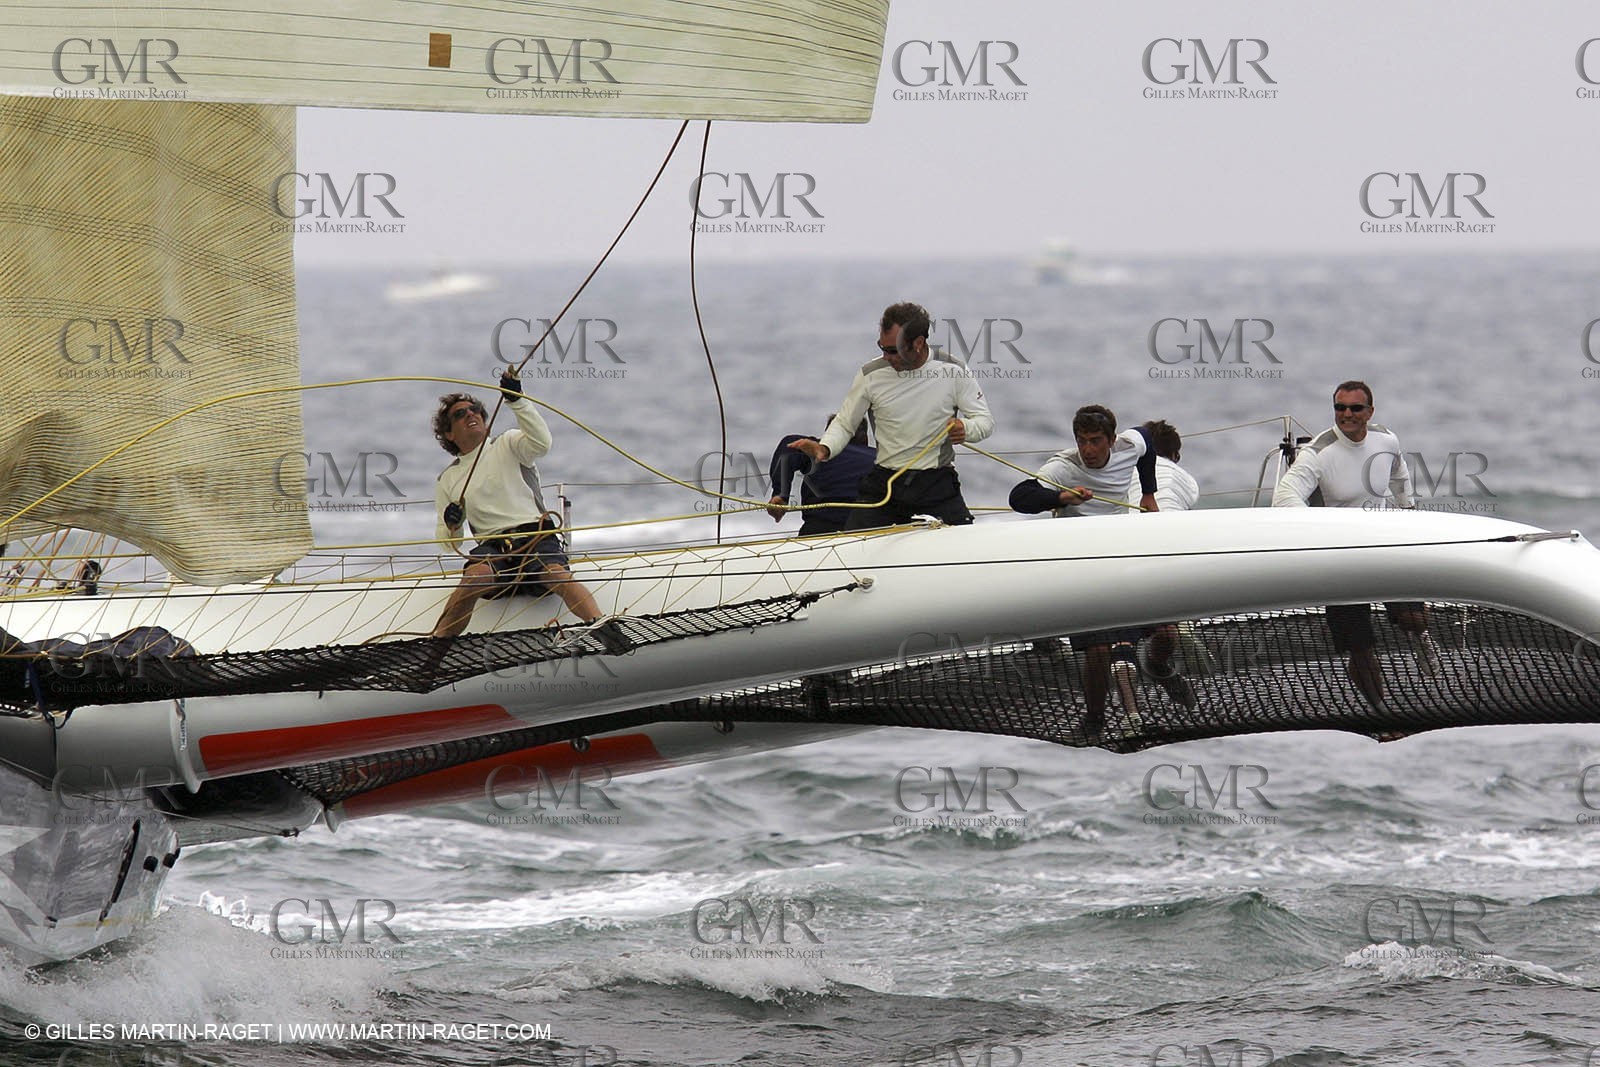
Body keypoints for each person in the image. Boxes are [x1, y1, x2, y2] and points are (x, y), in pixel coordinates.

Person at [1009, 405, 1197, 737]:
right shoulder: (1065, 467)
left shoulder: (1131, 444)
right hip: (1080, 564)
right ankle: (1094, 720)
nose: (1088, 450)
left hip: (1121, 553)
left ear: (1112, 440)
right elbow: (1020, 497)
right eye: (1082, 441)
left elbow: (1148, 446)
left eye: (1096, 441)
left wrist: (1149, 494)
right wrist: (1060, 497)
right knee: (1098, 650)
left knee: (1167, 632)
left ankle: (1159, 668)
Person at [1272, 380, 1442, 712]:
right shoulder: (1318, 453)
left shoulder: (1386, 439)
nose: (1346, 415)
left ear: (1370, 412)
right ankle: (1382, 713)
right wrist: (1317, 531)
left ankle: (1421, 639)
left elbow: (1398, 472)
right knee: (1360, 647)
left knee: (1413, 617)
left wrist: (1407, 510)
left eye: (1354, 408)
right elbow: (1284, 496)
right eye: (1339, 408)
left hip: (1381, 545)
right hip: (1340, 558)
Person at [430, 368, 604, 639]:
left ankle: (603, 628)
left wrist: (517, 400)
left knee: (557, 575)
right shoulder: (447, 480)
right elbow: (449, 543)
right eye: (460, 414)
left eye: (474, 410)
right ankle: (435, 652)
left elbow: (542, 444)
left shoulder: (509, 443)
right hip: (493, 548)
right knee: (473, 580)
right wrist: (453, 525)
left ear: (486, 422)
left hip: (536, 538)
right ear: (449, 434)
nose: (471, 415)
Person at [788, 302, 993, 530]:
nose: (886, 357)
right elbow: (845, 424)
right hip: (885, 484)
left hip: (936, 483)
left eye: (893, 350)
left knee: (963, 544)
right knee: (852, 548)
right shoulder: (871, 374)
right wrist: (823, 448)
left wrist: (965, 429)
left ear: (918, 343)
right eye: (881, 348)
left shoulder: (953, 370)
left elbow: (984, 421)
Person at [766, 416, 877, 536]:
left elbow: (789, 447)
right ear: (865, 439)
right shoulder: (879, 458)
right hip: (870, 531)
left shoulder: (817, 451)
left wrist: (781, 494)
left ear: (827, 437)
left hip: (819, 530)